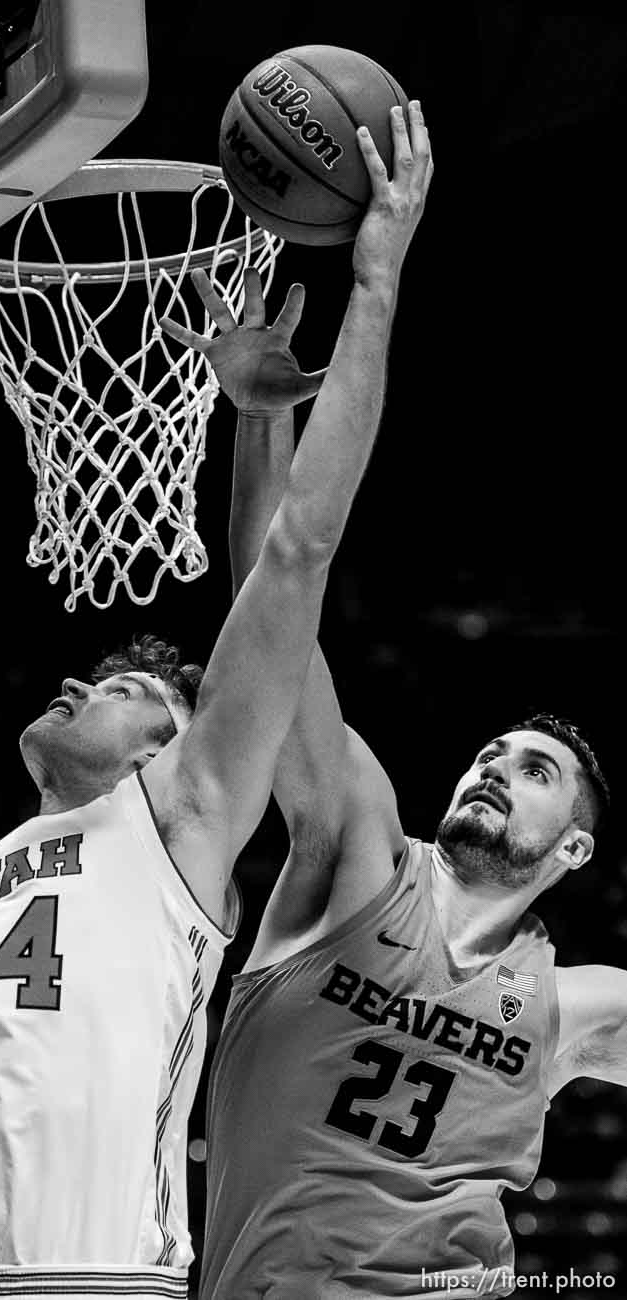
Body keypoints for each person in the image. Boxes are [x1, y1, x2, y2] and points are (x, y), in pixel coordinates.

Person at [0, 104, 432, 1300]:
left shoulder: (181, 823)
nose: (79, 680)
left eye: (128, 687)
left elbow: (292, 554)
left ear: (175, 746)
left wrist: (363, 292)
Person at [196, 144, 626, 1300]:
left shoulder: (576, 1005)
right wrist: (256, 424)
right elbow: (274, 617)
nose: (495, 766)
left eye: (533, 771)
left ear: (574, 846)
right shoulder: (352, 853)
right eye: (492, 752)